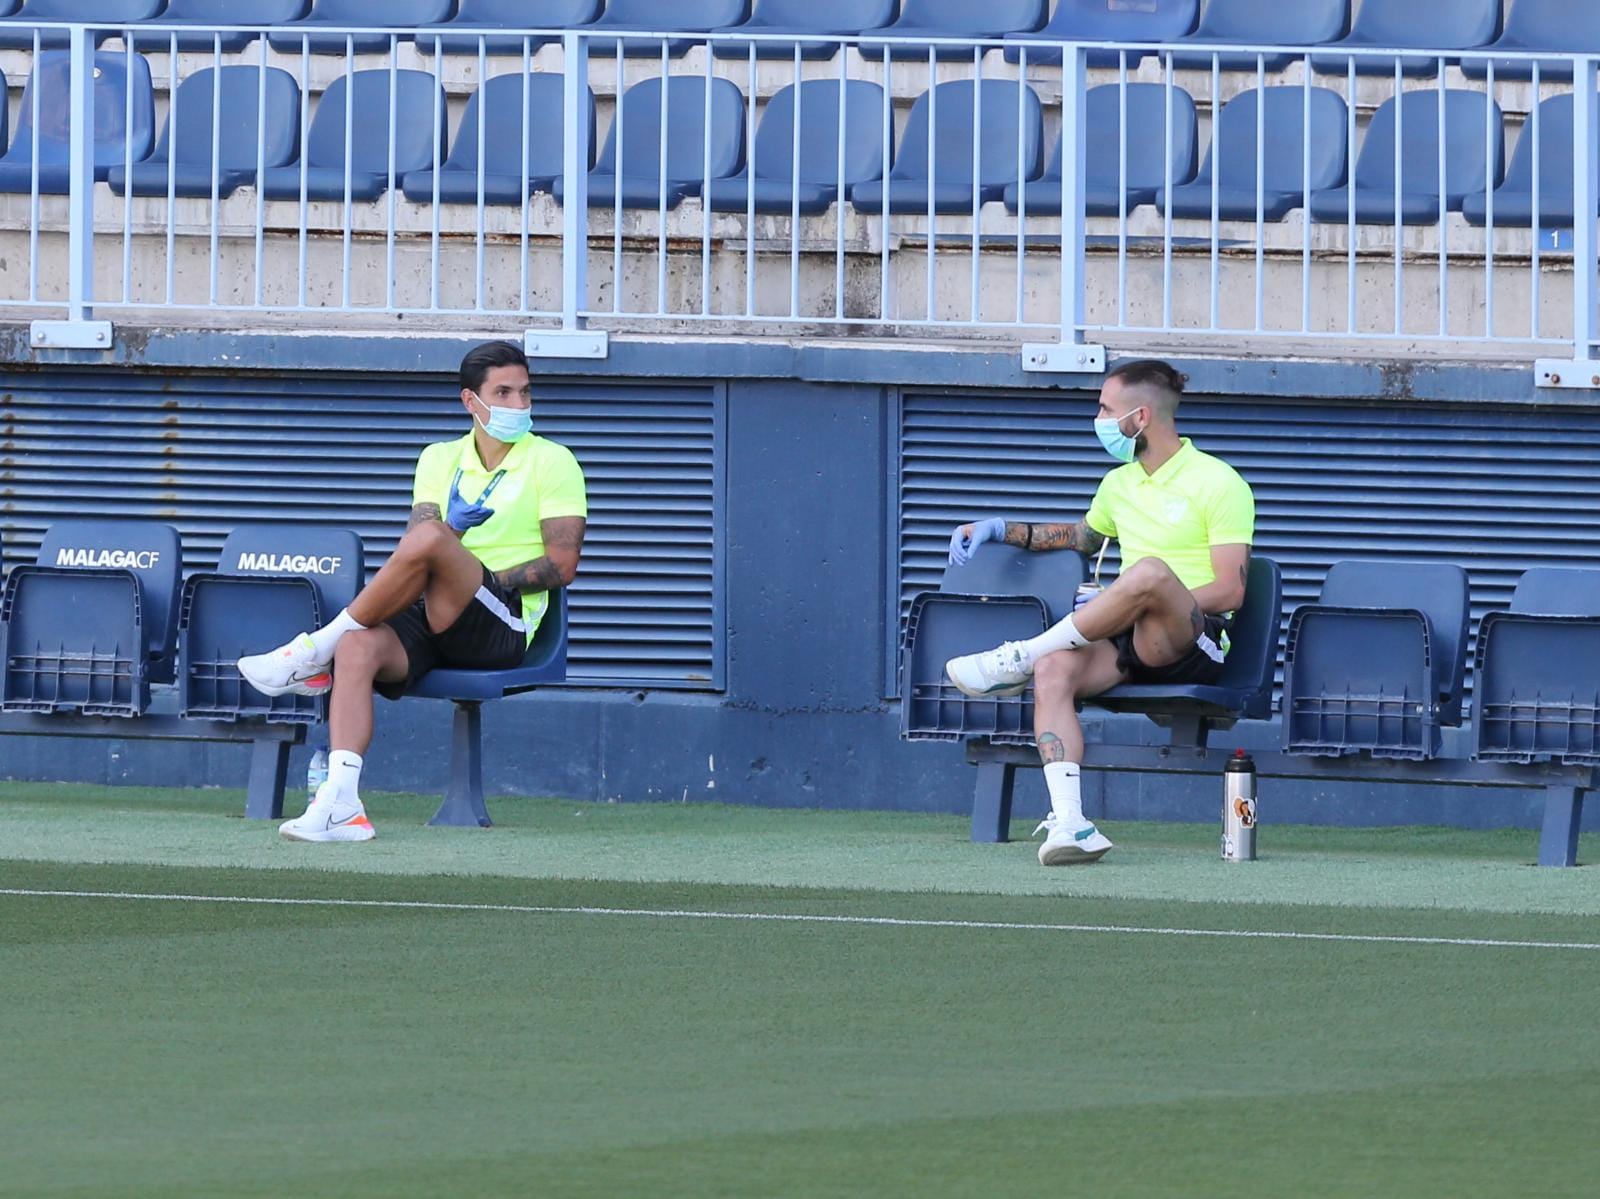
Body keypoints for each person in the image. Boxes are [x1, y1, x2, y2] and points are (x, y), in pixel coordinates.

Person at [238, 340, 588, 842]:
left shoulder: (553, 462)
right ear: (471, 401)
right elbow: (418, 549)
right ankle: (341, 803)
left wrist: (478, 575)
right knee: (360, 645)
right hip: (434, 609)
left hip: (502, 621)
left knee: (431, 538)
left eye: (525, 392)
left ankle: (313, 650)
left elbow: (563, 564)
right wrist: (453, 544)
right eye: (503, 393)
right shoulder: (437, 458)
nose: (518, 405)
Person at [943, 359, 1254, 866]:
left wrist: (1147, 594)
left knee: (1150, 573)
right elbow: (1082, 537)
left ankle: (1022, 652)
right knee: (1054, 670)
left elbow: (1230, 590)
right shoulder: (1119, 484)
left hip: (1195, 639)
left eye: (1107, 409)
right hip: (1133, 637)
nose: (1099, 419)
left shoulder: (1219, 483)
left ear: (1141, 416)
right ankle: (1071, 823)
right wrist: (1000, 528)